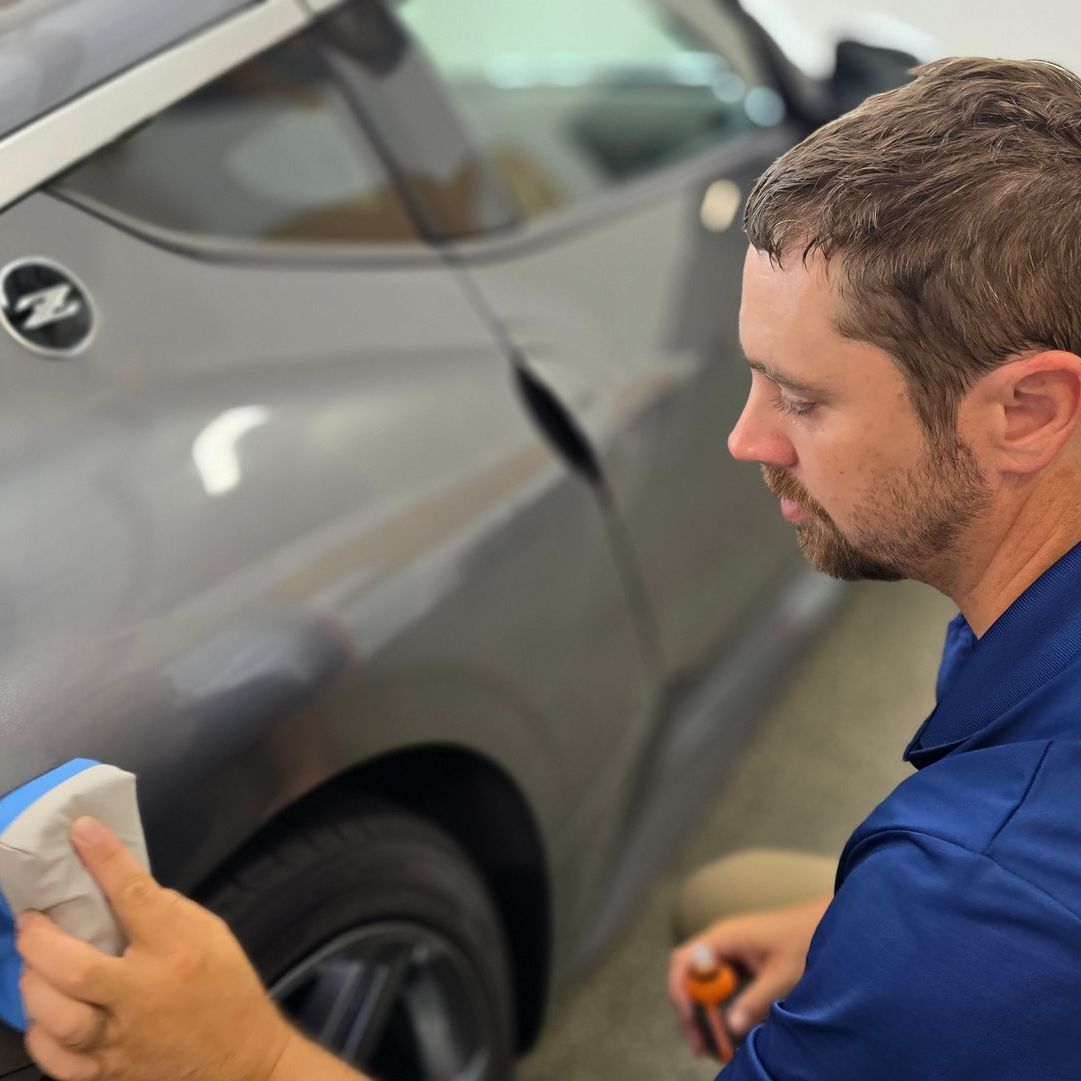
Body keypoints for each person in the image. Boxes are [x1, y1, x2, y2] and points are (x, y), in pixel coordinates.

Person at [17, 53, 1081, 1080]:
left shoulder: (969, 896)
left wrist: (242, 1058)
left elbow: (987, 917)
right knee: (745, 893)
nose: (747, 439)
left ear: (1027, 410)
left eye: (801, 399)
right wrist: (850, 940)